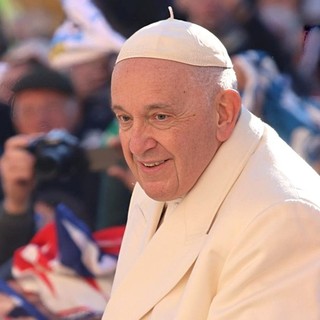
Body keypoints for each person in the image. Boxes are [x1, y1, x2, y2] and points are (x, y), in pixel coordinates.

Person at [102, 9, 320, 320]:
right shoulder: (168, 171)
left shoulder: (284, 217)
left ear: (223, 112)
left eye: (160, 117)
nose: (137, 145)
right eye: (125, 118)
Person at [0, 65, 100, 268]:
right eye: (28, 111)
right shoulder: (9, 164)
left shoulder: (98, 157)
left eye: (52, 107)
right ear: (14, 118)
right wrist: (15, 203)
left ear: (76, 110)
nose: (41, 120)